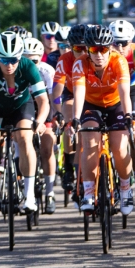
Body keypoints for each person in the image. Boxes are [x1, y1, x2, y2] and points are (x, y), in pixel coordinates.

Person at [0, 31, 50, 213]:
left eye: (14, 60)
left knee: (24, 138)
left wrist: (39, 120)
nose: (10, 65)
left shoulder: (28, 66)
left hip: (21, 106)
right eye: (4, 60)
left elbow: (43, 101)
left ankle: (29, 195)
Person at [66, 25, 135, 215]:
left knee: (119, 146)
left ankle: (125, 188)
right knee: (89, 143)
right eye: (94, 50)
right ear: (88, 50)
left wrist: (128, 116)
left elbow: (124, 93)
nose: (99, 55)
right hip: (91, 105)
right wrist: (76, 119)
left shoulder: (118, 61)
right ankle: (88, 192)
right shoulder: (80, 64)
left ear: (110, 49)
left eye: (103, 49)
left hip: (115, 105)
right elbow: (79, 93)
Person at [109, 20, 135, 206]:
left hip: (133, 90)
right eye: (115, 42)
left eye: (123, 42)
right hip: (112, 93)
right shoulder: (105, 54)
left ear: (130, 41)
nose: (119, 46)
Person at [24, 38, 58, 213]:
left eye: (35, 60)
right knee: (21, 142)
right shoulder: (18, 72)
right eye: (26, 60)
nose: (31, 64)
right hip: (25, 109)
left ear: (41, 58)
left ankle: (50, 192)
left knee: (47, 147)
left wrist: (51, 122)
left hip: (45, 109)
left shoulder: (47, 71)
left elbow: (51, 100)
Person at [52, 24, 87, 193]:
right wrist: (58, 112)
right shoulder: (64, 59)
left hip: (93, 95)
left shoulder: (95, 57)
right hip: (71, 93)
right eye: (76, 48)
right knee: (70, 124)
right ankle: (68, 167)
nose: (82, 52)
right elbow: (57, 89)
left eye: (85, 47)